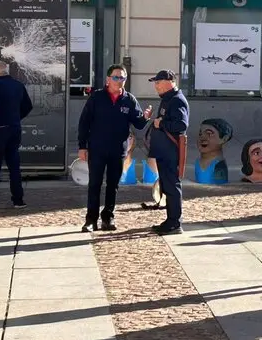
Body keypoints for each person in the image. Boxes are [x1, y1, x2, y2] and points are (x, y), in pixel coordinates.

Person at [77, 64, 151, 233]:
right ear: (108, 80)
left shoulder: (129, 99)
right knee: (94, 184)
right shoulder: (96, 98)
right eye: (116, 77)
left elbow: (138, 124)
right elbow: (84, 123)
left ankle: (108, 217)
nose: (120, 81)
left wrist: (145, 117)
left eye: (123, 78)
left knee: (113, 184)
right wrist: (82, 146)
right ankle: (91, 220)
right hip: (97, 148)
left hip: (118, 150)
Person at [0, 60, 32, 210]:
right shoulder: (18, 85)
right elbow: (28, 106)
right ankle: (18, 200)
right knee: (14, 166)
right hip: (14, 129)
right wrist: (15, 118)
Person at [146, 70, 189, 235]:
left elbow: (180, 125)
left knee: (172, 185)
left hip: (171, 151)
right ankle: (170, 219)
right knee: (166, 185)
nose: (155, 86)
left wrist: (160, 123)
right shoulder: (168, 99)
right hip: (164, 150)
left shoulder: (177, 100)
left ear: (169, 81)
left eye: (158, 82)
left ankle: (175, 222)